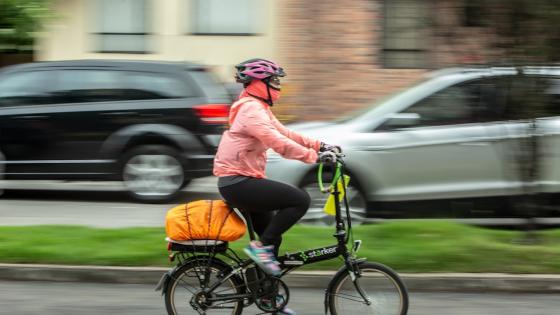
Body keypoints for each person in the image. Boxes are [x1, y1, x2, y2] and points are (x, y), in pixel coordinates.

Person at [213, 58, 338, 313]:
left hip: (243, 180)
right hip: (238, 183)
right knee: (299, 200)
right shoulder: (250, 110)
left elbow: (286, 134)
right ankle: (260, 251)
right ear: (259, 83)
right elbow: (276, 142)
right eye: (274, 81)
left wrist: (320, 146)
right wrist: (314, 158)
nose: (278, 85)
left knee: (273, 238)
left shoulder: (258, 107)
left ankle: (267, 298)